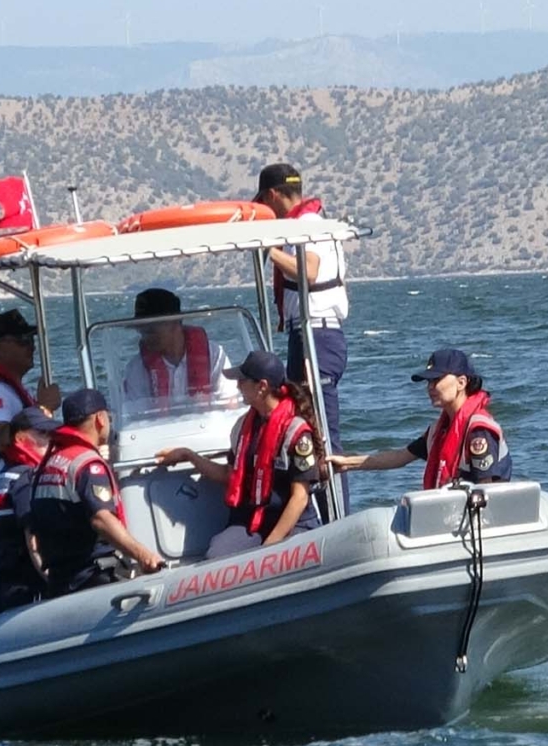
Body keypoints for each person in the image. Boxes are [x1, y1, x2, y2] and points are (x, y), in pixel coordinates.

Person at [157, 350, 322, 558]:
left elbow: (300, 498)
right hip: (252, 522)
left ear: (261, 387)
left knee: (289, 559)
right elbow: (229, 475)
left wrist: (270, 547)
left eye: (242, 381)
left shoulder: (296, 433)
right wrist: (189, 456)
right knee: (217, 556)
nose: (237, 386)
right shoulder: (242, 428)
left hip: (293, 522)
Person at [28, 388, 165, 595]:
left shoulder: (51, 463)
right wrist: (143, 555)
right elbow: (101, 519)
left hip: (61, 578)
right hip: (93, 576)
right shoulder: (87, 465)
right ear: (100, 419)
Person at [254, 162, 348, 454]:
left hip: (316, 334)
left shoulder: (307, 226)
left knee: (321, 433)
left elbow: (309, 271)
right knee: (305, 425)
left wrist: (268, 247)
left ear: (271, 195)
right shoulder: (306, 224)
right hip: (306, 333)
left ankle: (334, 498)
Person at [331, 347, 512, 487]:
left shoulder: (478, 431)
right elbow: (399, 456)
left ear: (461, 382)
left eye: (436, 380)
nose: (430, 387)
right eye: (428, 382)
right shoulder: (439, 431)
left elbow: (487, 489)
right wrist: (347, 463)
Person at [0, 406, 55, 611]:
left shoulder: (0, 480)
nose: (50, 441)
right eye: (42, 434)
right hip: (26, 592)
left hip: (0, 588)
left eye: (51, 434)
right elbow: (33, 540)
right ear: (20, 439)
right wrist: (55, 582)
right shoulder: (27, 479)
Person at [0, 308, 62, 491]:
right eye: (23, 341)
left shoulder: (9, 389)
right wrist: (44, 409)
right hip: (4, 493)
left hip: (22, 486)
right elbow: (1, 441)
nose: (32, 347)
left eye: (32, 340)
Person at [118, 286, 230, 411]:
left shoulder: (214, 356)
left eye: (151, 329)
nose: (145, 337)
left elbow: (230, 404)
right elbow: (135, 417)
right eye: (141, 330)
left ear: (175, 322)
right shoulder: (136, 368)